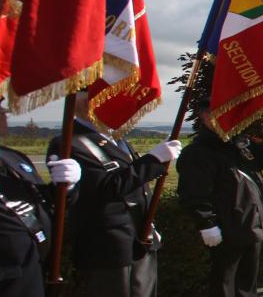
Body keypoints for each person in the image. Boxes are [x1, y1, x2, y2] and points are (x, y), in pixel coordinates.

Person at [48, 90, 179, 297]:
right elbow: (104, 189)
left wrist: (148, 224)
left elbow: (134, 188)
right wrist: (152, 161)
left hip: (139, 238)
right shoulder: (70, 142)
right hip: (107, 247)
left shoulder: (115, 139)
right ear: (86, 105)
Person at [176, 120, 263, 297]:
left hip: (250, 223)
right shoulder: (199, 152)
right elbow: (194, 191)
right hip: (226, 227)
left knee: (246, 285)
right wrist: (206, 223)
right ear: (205, 116)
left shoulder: (237, 145)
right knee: (224, 284)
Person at [0, 118, 75, 297]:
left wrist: (64, 189)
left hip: (34, 275)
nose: (4, 113)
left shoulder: (13, 157)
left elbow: (40, 202)